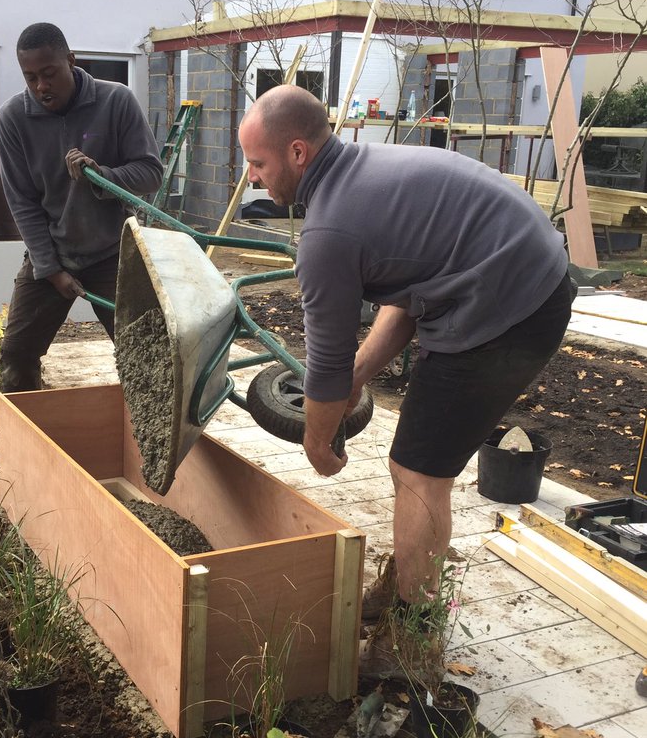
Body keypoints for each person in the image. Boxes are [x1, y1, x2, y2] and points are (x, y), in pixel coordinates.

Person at [238, 85, 573, 667]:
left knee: (417, 470)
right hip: (510, 273)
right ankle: (406, 584)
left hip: (511, 305)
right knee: (416, 459)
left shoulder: (328, 235)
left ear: (296, 153)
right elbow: (409, 290)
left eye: (257, 163)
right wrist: (358, 378)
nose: (252, 179)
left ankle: (415, 641)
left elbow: (325, 362)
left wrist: (317, 440)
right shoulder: (361, 172)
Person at [0, 23, 163, 392]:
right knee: (16, 354)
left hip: (114, 253)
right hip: (53, 252)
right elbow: (22, 203)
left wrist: (102, 176)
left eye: (49, 73)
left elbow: (152, 174)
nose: (41, 86)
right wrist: (50, 269)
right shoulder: (13, 120)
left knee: (147, 355)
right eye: (30, 77)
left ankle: (145, 440)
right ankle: (29, 438)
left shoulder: (115, 101)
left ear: (71, 61)